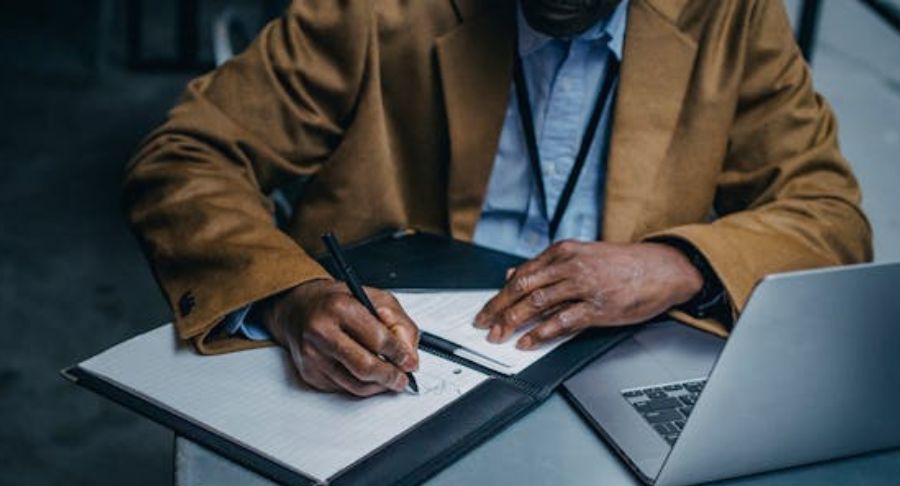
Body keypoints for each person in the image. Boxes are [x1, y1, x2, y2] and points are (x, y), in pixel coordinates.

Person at [124, 0, 871, 398]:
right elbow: (187, 157)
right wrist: (290, 298)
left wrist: (676, 263)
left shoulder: (729, 12)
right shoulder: (373, 7)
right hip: (394, 371)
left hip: (616, 366)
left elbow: (830, 215)